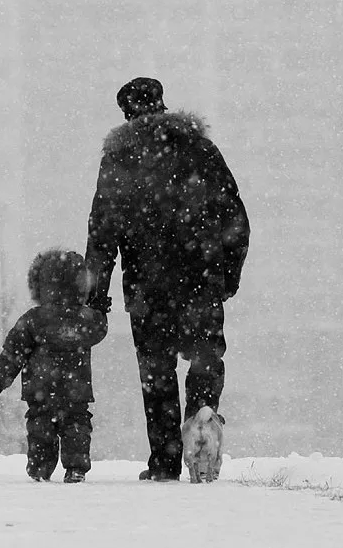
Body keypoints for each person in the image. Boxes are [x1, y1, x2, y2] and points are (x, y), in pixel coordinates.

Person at [85, 77, 250, 482]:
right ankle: (203, 418)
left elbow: (102, 234)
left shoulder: (119, 160)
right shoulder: (201, 150)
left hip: (147, 288)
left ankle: (164, 460)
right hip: (201, 276)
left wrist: (95, 297)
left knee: (156, 374)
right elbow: (236, 217)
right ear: (162, 105)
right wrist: (228, 274)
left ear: (126, 113)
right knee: (205, 358)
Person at [0, 248, 108, 483]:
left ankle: (40, 467)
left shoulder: (34, 318)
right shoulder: (85, 318)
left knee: (40, 427)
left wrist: (2, 376)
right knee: (77, 426)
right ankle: (76, 468)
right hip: (77, 390)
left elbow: (14, 350)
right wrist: (100, 310)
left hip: (41, 388)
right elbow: (99, 331)